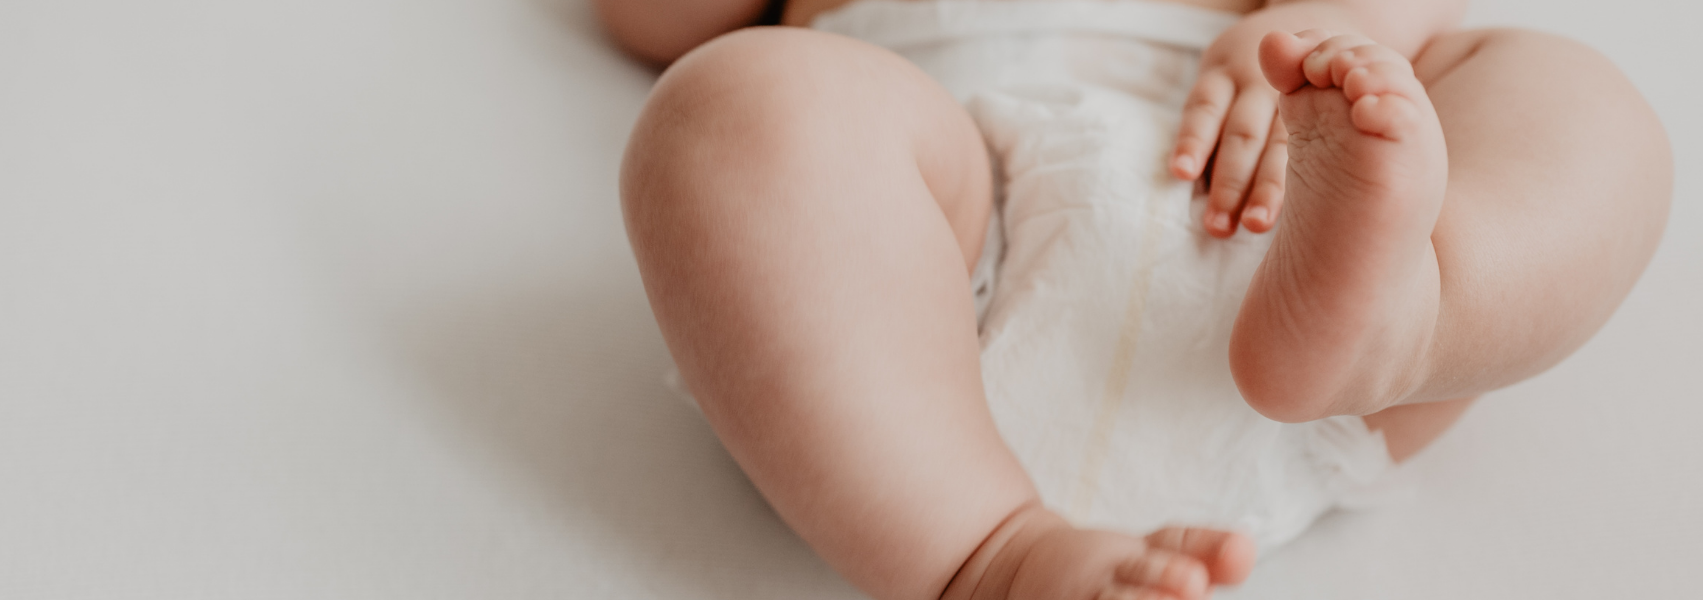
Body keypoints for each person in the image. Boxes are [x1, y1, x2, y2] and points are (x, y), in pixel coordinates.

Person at [600, 0, 1672, 598]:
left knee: (1580, 100)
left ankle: (1404, 318)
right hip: (932, 271)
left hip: (1283, 221)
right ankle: (991, 555)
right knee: (732, 109)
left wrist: (1327, 23)